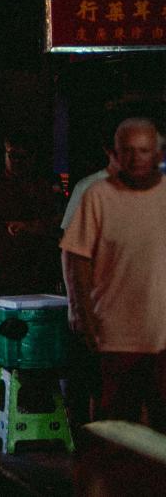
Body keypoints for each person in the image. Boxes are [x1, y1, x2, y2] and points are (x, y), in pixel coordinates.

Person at [61, 118, 166, 429]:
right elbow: (74, 255)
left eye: (144, 151)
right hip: (114, 330)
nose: (136, 159)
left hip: (159, 330)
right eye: (128, 151)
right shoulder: (95, 193)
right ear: (115, 153)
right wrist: (78, 308)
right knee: (116, 416)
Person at [61, 127, 124, 424]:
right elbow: (71, 252)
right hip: (100, 302)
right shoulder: (90, 189)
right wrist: (76, 305)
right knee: (97, 383)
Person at [0, 138, 65, 300]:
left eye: (23, 157)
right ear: (5, 156)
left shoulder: (42, 188)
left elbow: (58, 226)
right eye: (13, 156)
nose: (18, 162)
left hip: (40, 276)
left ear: (32, 158)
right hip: (2, 277)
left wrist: (30, 226)